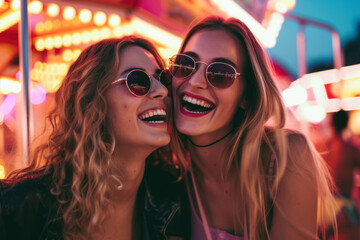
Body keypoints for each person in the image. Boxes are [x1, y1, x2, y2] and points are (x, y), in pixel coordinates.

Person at [0, 37, 188, 240]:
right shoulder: (19, 209)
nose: (161, 91)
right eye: (138, 81)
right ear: (94, 102)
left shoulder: (176, 199)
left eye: (162, 79)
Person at [169, 16, 337, 240]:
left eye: (220, 74)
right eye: (185, 65)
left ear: (246, 96)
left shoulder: (285, 157)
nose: (195, 81)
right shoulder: (168, 175)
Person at [324, 110, 360, 239]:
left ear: (331, 123)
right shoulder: (351, 148)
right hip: (345, 206)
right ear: (347, 124)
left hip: (323, 205)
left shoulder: (322, 146)